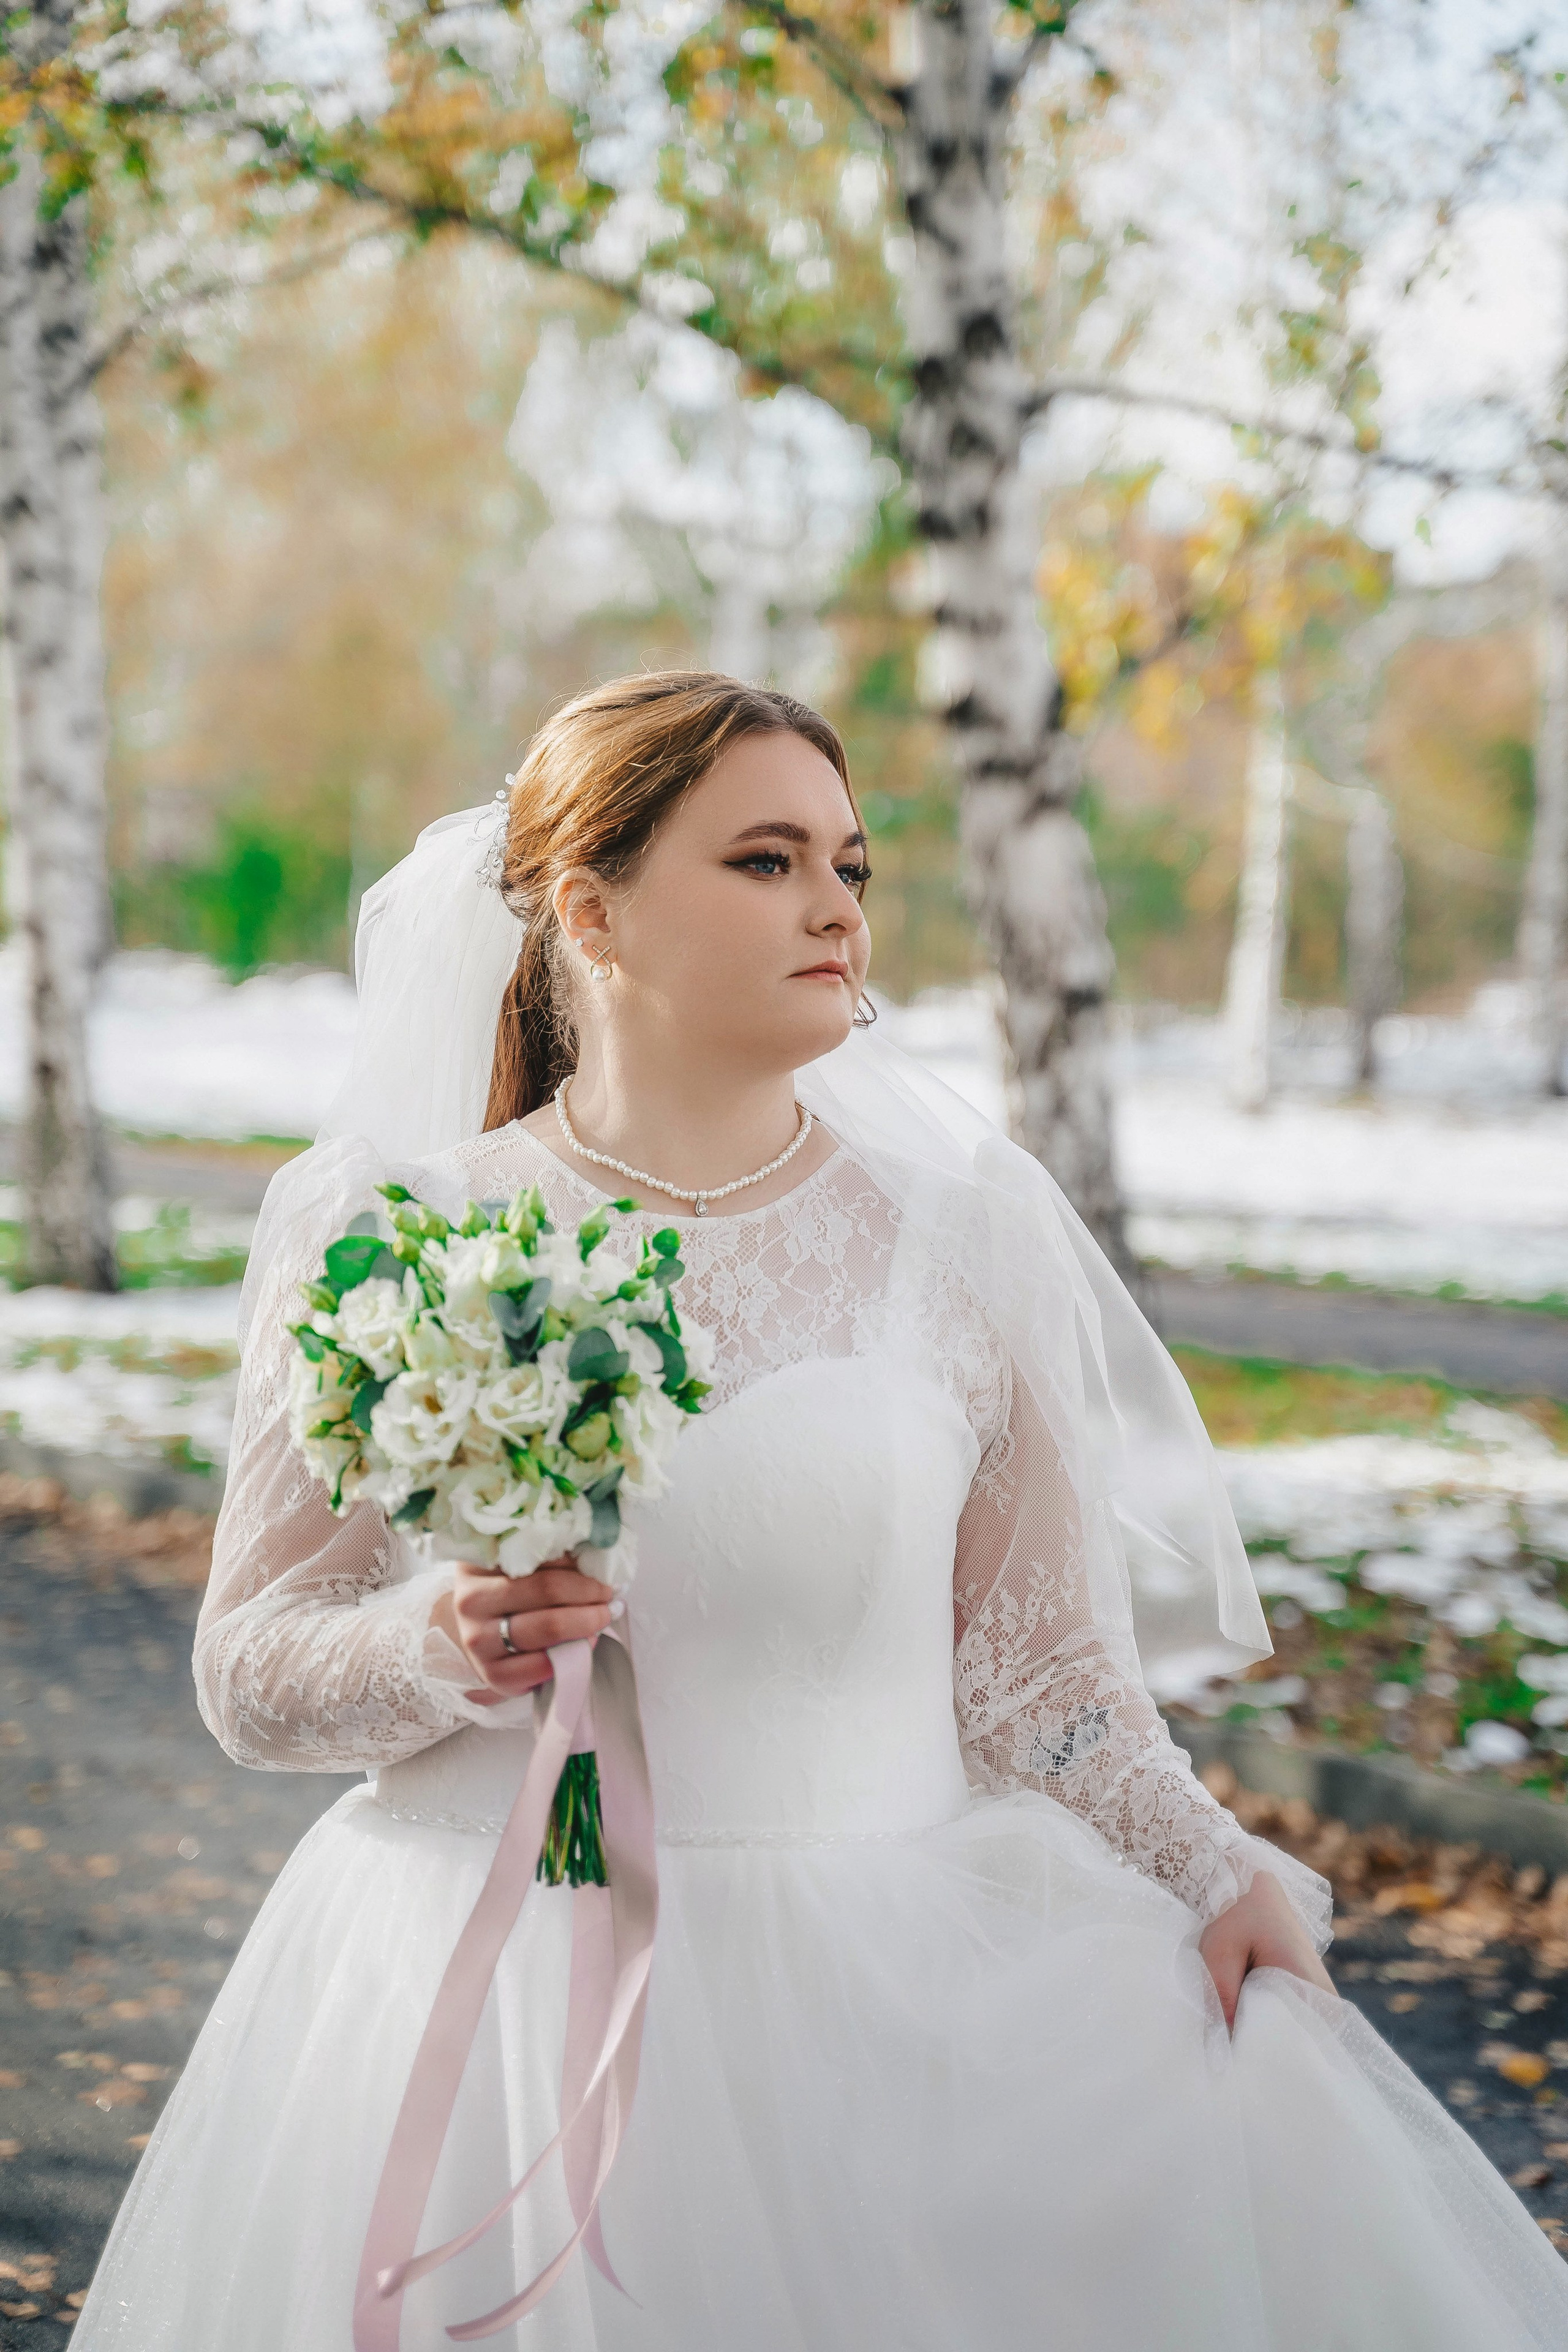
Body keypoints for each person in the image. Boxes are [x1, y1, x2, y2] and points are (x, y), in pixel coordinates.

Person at [75, 673, 1568, 2350]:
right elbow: (252, 1668)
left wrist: (1218, 1869)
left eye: (850, 865)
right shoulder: (390, 1228)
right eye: (766, 861)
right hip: (469, 1997)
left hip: (890, 2016)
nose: (835, 909)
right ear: (594, 908)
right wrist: (439, 1642)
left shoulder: (969, 1237)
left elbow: (1048, 1679)